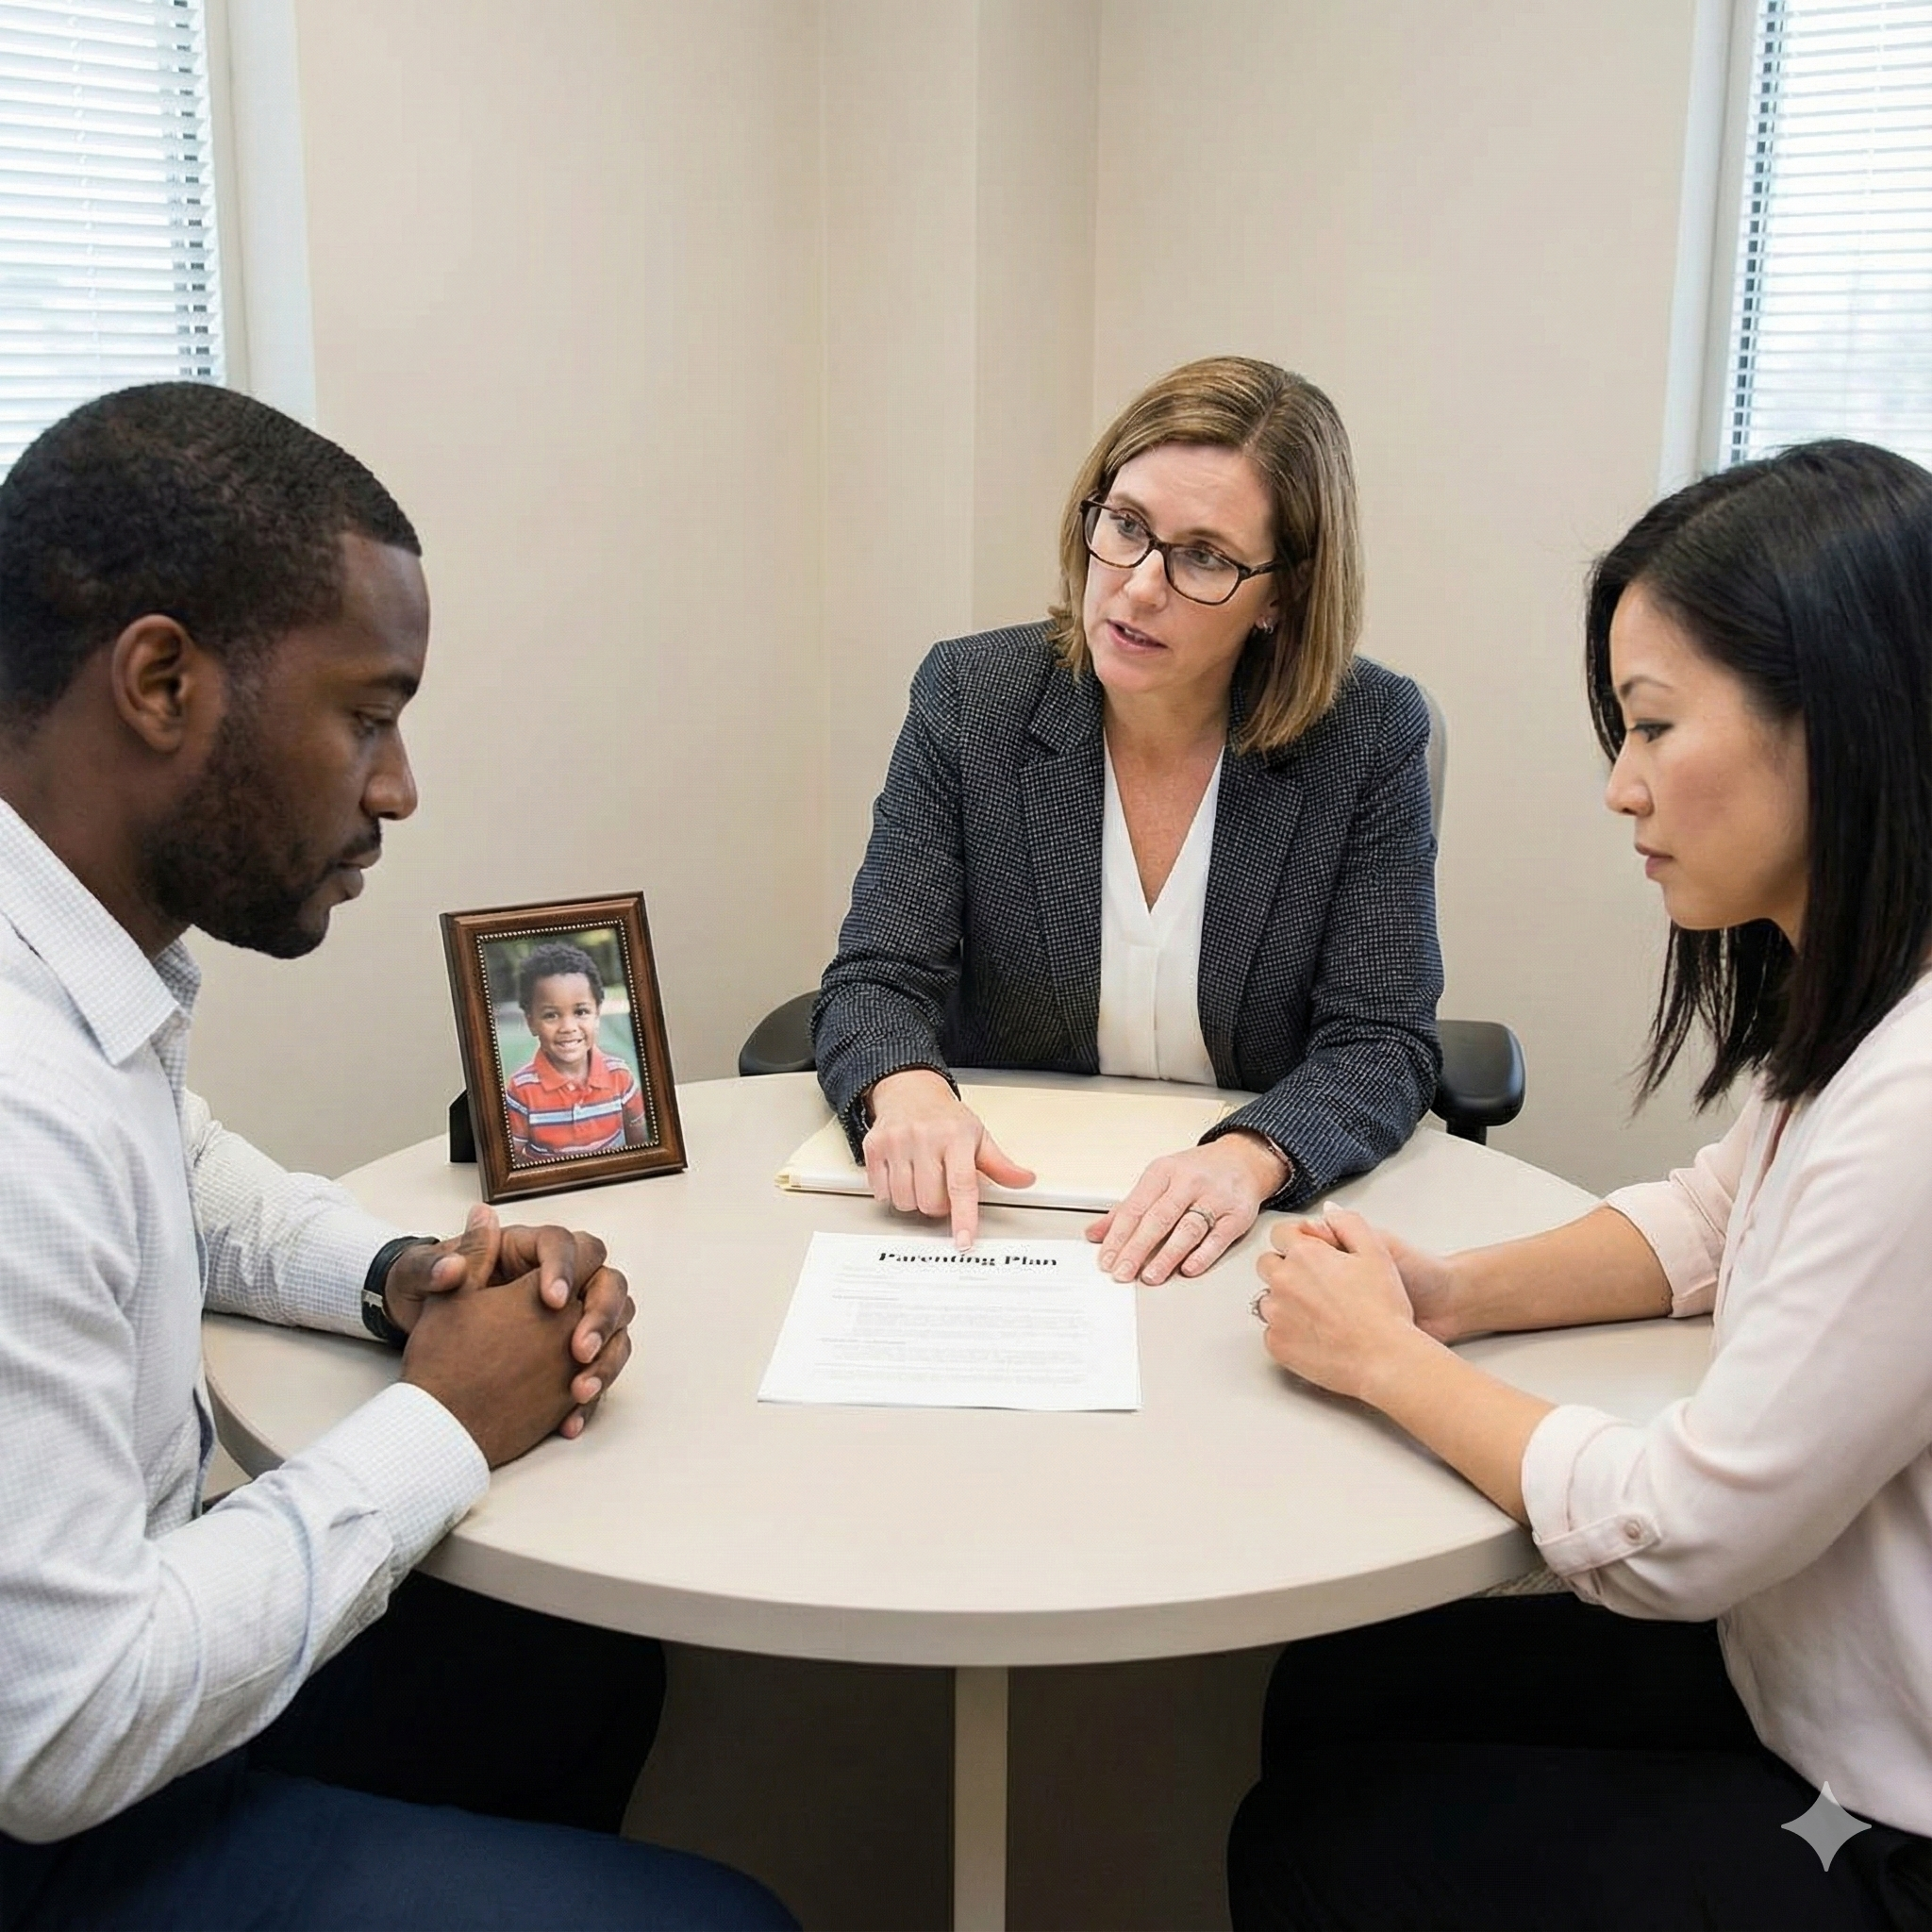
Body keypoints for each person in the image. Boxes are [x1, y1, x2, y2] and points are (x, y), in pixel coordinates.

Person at [0, 385, 791, 1930]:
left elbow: (179, 1171)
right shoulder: (15, 1097)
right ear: (159, 680)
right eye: (367, 714)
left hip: (93, 1683)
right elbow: (65, 1726)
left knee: (568, 1655)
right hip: (50, 1819)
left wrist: (400, 1276)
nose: (397, 786)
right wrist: (447, 1417)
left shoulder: (68, 959)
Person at [1232, 440, 1932, 1931]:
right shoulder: (1869, 1004)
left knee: (1323, 1848)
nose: (1621, 789)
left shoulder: (1920, 1097)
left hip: (1886, 1818)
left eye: (1655, 726)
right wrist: (1453, 1294)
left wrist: (1389, 1359)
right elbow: (1720, 1213)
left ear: (1847, 720)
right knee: (1341, 1689)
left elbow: (1678, 1532)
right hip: (1798, 1672)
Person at [814, 356, 1442, 1284]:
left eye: (1204, 557)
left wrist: (1250, 1158)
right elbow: (876, 978)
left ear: (1282, 594)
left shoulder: (1365, 733)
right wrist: (905, 1091)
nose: (1140, 587)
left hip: (1246, 1231)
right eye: (1127, 526)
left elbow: (1381, 1040)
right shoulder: (972, 698)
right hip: (1004, 1215)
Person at [505, 940, 653, 1163]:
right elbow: (512, 1157)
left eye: (581, 1012)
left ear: (597, 1014)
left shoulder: (619, 1075)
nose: (568, 1027)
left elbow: (639, 1140)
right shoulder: (521, 1089)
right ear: (531, 1022)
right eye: (551, 1015)